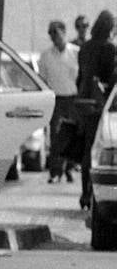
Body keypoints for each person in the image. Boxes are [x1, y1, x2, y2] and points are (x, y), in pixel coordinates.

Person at [76, 9, 117, 209]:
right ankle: (95, 195)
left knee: (87, 150)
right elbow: (111, 80)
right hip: (101, 106)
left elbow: (80, 77)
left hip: (84, 103)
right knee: (100, 152)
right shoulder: (109, 49)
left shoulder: (85, 48)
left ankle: (85, 193)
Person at [37, 19, 81, 182]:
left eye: (56, 32)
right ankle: (55, 172)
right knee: (56, 136)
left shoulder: (76, 53)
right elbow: (43, 79)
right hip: (56, 99)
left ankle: (69, 169)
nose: (53, 36)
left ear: (64, 32)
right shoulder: (46, 56)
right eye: (50, 33)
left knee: (72, 135)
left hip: (72, 98)